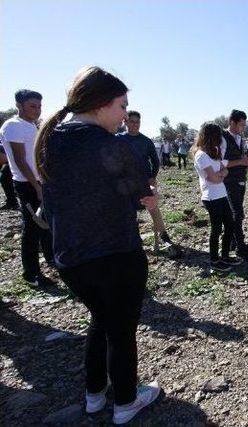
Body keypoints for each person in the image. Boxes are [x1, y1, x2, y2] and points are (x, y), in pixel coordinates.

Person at [35, 66, 161, 424]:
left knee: (100, 321)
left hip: (70, 259)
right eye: (122, 106)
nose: (125, 116)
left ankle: (93, 395)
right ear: (102, 104)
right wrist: (147, 198)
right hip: (116, 255)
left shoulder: (49, 140)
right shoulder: (113, 146)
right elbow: (144, 198)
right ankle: (125, 402)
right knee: (121, 331)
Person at [0, 89, 55, 286]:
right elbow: (20, 160)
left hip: (40, 181)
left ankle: (51, 258)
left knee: (46, 222)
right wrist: (36, 186)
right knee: (31, 228)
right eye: (33, 106)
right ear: (19, 105)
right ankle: (31, 274)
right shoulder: (13, 126)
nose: (37, 110)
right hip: (26, 183)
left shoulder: (32, 125)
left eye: (39, 106)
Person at [117, 111, 175, 248]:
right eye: (132, 121)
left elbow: (155, 161)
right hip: (125, 184)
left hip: (144, 182)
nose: (135, 124)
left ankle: (164, 236)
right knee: (127, 212)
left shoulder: (146, 141)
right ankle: (132, 240)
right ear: (125, 122)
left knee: (153, 208)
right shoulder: (118, 139)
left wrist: (152, 177)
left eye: (137, 122)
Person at [192, 122, 243, 272]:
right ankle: (214, 260)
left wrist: (219, 175)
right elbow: (214, 178)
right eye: (218, 136)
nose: (220, 140)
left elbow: (223, 172)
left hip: (221, 194)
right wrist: (219, 175)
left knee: (229, 225)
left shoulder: (213, 152)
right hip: (211, 198)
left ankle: (225, 256)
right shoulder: (201, 155)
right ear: (210, 137)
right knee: (216, 229)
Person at [221, 109, 248, 260]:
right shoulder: (222, 138)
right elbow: (219, 162)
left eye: (244, 125)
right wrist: (240, 162)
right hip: (229, 182)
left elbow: (238, 158)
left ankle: (232, 242)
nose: (243, 127)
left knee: (234, 214)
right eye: (241, 125)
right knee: (237, 213)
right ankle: (240, 248)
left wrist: (246, 163)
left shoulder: (240, 138)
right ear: (232, 122)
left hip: (241, 180)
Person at [0, 144, 19, 209]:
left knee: (5, 174)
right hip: (10, 161)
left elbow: (5, 160)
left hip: (15, 160)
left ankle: (12, 202)